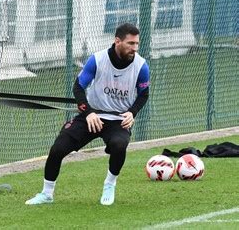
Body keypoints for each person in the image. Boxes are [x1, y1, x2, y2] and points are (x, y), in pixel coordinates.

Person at [25, 23, 150, 206]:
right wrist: (89, 113)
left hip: (118, 120)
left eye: (137, 44)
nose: (135, 48)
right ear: (117, 41)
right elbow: (78, 87)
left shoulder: (141, 66)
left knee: (119, 144)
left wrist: (132, 112)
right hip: (90, 116)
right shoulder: (97, 60)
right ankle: (47, 193)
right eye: (130, 43)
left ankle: (109, 184)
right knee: (58, 148)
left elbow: (143, 94)